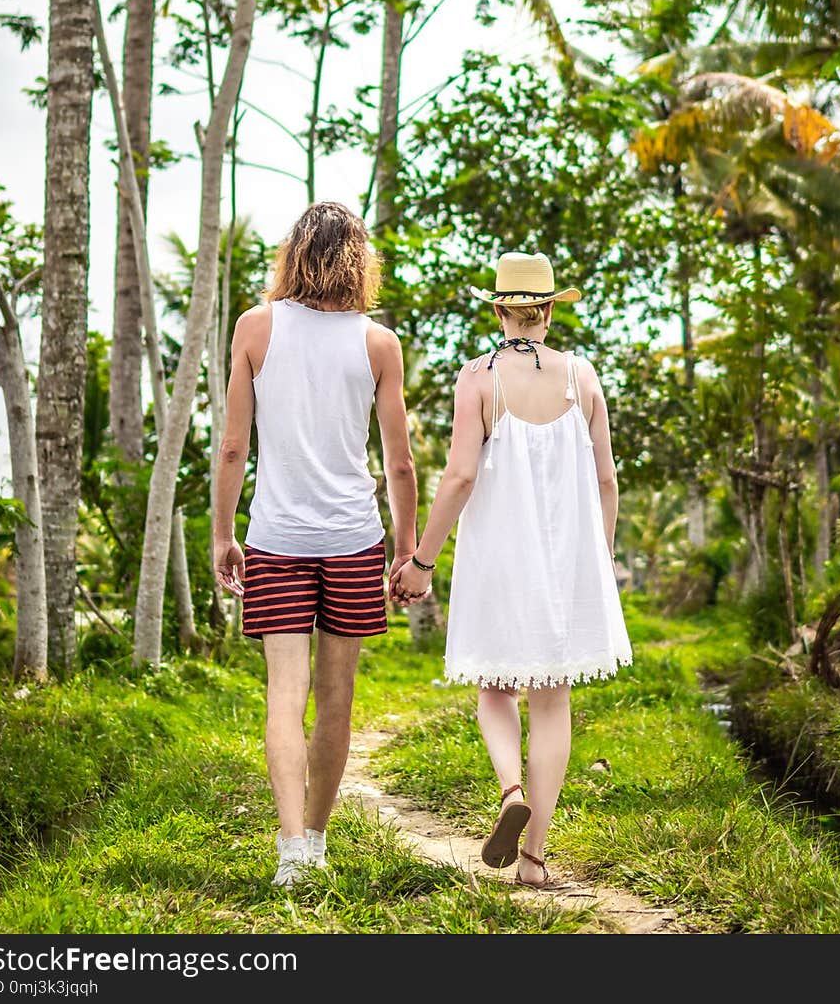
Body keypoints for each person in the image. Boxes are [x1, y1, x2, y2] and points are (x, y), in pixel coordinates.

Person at [393, 251, 631, 887]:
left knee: (493, 689)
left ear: (499, 309)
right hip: (566, 566)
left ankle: (508, 792)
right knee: (553, 704)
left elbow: (461, 475)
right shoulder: (582, 378)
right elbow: (607, 479)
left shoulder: (477, 380)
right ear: (549, 311)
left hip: (496, 559)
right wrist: (600, 559)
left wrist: (421, 559)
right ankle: (534, 860)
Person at [213, 202, 417, 887]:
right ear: (358, 257)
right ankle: (320, 841)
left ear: (294, 254)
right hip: (354, 540)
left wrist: (222, 535)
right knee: (337, 699)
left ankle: (292, 849)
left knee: (283, 698)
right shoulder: (378, 342)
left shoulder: (255, 328)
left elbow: (234, 446)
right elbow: (400, 464)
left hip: (275, 539)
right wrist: (407, 549)